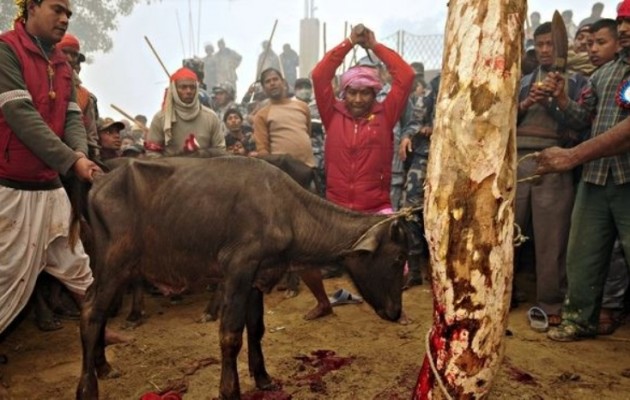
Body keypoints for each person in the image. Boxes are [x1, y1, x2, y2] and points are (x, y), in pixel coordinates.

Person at [0, 0, 126, 344]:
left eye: (68, 13)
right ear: (31, 6)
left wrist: (80, 154)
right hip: (10, 185)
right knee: (7, 272)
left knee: (75, 261)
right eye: (57, 9)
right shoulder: (6, 51)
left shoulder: (61, 63)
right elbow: (21, 116)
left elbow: (72, 117)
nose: (65, 18)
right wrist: (72, 161)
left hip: (49, 183)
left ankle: (96, 326)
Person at [540, 0, 630, 341]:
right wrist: (563, 99)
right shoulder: (603, 74)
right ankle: (579, 319)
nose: (624, 28)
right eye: (621, 22)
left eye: (629, 22)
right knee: (583, 253)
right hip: (595, 177)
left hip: (627, 178)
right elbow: (582, 120)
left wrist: (572, 156)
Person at [311, 25, 414, 322]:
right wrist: (347, 43)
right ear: (344, 93)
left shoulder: (386, 113)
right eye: (352, 92)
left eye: (365, 93)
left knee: (399, 265)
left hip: (375, 207)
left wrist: (374, 46)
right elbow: (319, 76)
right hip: (336, 210)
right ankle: (323, 303)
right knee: (304, 259)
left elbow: (406, 75)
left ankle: (394, 306)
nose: (357, 99)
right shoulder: (332, 113)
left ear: (374, 93)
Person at [514, 21, 588, 327]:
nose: (545, 50)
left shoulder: (577, 82)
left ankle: (550, 302)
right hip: (518, 161)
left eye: (551, 44)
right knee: (509, 232)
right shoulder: (521, 82)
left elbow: (582, 123)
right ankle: (502, 292)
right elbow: (502, 120)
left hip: (555, 161)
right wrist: (527, 102)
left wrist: (557, 100)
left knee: (552, 237)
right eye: (540, 44)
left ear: (561, 47)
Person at [145, 67, 225, 157]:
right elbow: (152, 153)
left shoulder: (211, 117)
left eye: (192, 87)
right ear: (174, 90)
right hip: (170, 166)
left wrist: (201, 154)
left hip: (204, 165)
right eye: (183, 87)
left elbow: (221, 151)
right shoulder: (160, 118)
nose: (188, 91)